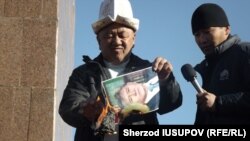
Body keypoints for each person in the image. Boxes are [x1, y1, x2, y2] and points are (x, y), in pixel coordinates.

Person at [59, 0, 182, 140]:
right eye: (109, 36)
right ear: (99, 41)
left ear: (134, 38)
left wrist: (166, 80)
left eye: (122, 35)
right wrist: (84, 111)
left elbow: (171, 104)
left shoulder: (150, 70)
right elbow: (67, 108)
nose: (117, 41)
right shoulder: (83, 74)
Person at [191, 3, 250, 124]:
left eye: (207, 32)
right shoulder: (205, 67)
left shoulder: (245, 53)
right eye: (197, 35)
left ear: (227, 29)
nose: (202, 39)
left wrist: (218, 103)